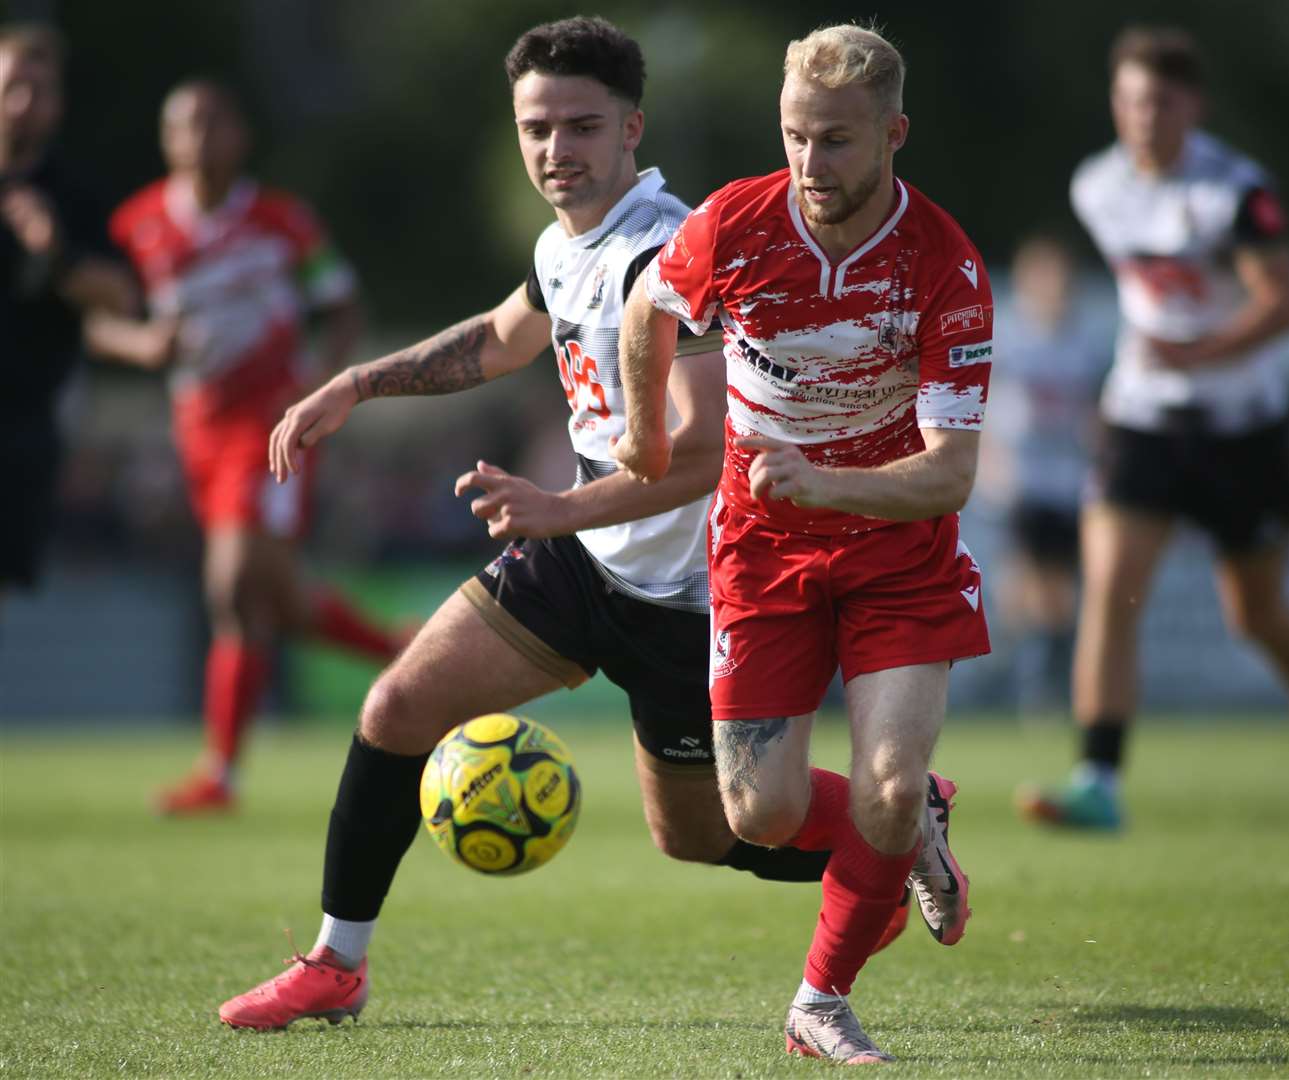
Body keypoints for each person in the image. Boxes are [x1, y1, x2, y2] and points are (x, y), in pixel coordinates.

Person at [216, 16, 923, 1034]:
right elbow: (506, 336)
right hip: (579, 562)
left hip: (693, 601)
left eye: (580, 126)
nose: (556, 149)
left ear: (631, 129)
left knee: (702, 835)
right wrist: (356, 384)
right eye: (535, 127)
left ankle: (892, 834)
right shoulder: (566, 244)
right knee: (396, 708)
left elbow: (695, 457)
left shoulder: (667, 258)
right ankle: (336, 961)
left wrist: (552, 507)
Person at [614, 23, 990, 1065]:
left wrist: (823, 480)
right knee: (760, 813)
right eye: (793, 137)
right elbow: (649, 311)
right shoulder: (734, 222)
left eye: (833, 142)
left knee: (882, 780)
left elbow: (951, 472)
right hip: (760, 549)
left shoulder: (942, 265)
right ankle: (913, 824)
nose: (808, 166)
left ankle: (819, 1000)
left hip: (897, 555)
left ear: (891, 134)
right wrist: (644, 436)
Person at [85, 80, 408, 814]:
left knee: (232, 584)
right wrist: (141, 344)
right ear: (166, 140)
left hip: (270, 426)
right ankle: (403, 652)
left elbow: (344, 303)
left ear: (239, 135)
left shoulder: (281, 222)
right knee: (278, 601)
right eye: (183, 126)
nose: (197, 138)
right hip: (195, 426)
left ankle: (220, 773)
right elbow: (98, 322)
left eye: (211, 123)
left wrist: (325, 390)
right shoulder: (138, 224)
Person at [1016, 26, 1289, 830]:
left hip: (1240, 424)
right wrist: (1163, 359)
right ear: (1116, 102)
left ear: (1194, 106)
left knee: (1258, 615)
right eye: (1132, 99)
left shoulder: (1233, 191)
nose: (1145, 116)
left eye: (1162, 102)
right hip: (1142, 418)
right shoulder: (1096, 187)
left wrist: (1201, 350)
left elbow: (1283, 302)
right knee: (1110, 589)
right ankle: (1098, 781)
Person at [1, 23, 135, 610]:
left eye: (40, 90)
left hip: (23, 423)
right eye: (12, 87)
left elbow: (122, 298)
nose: (25, 104)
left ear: (58, 103)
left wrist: (55, 252)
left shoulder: (73, 196)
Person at [982, 235, 1107, 712]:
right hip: (1023, 478)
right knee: (1027, 581)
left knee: (1061, 588)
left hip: (1069, 481)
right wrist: (990, 457)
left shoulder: (1085, 343)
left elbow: (1096, 408)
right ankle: (1031, 672)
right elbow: (983, 397)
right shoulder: (1009, 336)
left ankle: (1043, 669)